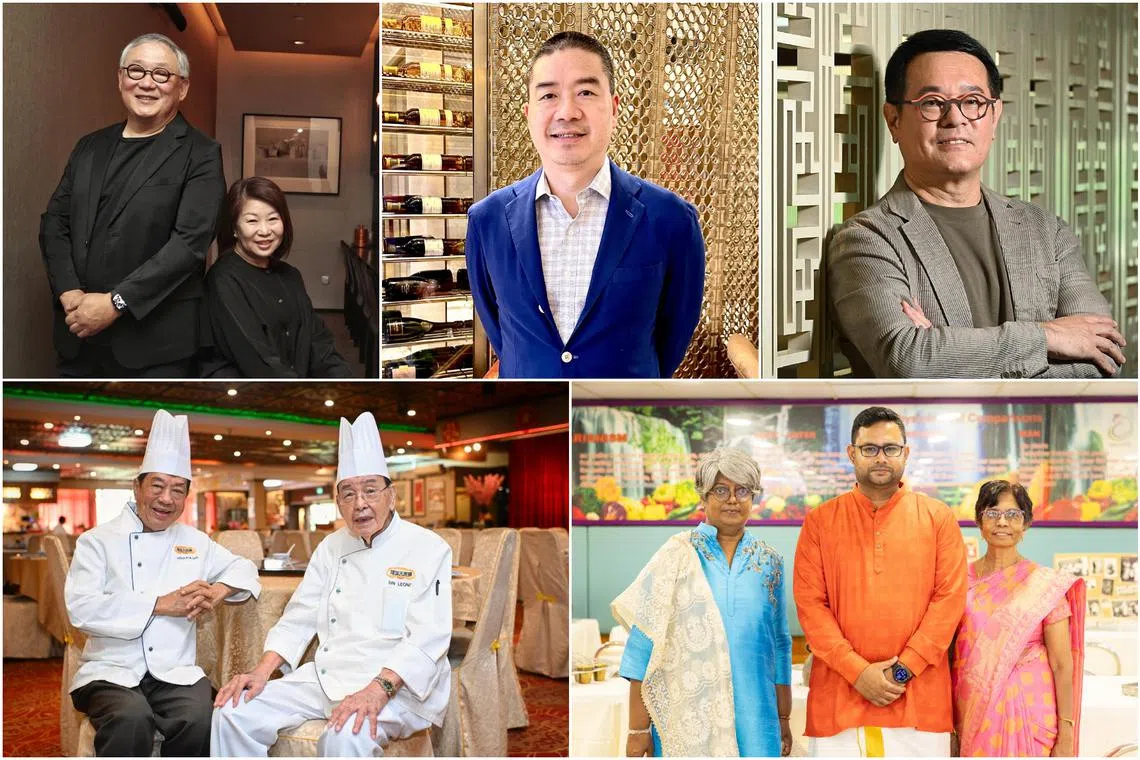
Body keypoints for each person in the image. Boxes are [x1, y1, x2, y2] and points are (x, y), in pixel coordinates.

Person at [828, 29, 1125, 379]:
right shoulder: (867, 239)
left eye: (972, 102)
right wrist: (1046, 337)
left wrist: (952, 354)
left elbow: (1102, 355)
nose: (955, 119)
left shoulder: (1046, 231)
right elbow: (909, 360)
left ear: (994, 116)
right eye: (932, 103)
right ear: (894, 120)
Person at [465, 31, 705, 379]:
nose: (567, 112)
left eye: (586, 92)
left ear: (614, 108)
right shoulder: (487, 220)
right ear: (529, 114)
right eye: (549, 95)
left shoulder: (671, 219)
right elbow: (501, 333)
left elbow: (673, 335)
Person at [211, 412, 452, 756]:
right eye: (348, 494)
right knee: (233, 710)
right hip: (329, 675)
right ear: (338, 502)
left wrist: (377, 689)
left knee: (344, 735)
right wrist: (262, 671)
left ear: (391, 495)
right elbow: (300, 616)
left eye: (370, 490)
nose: (361, 504)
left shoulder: (428, 548)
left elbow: (430, 637)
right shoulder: (331, 547)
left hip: (398, 686)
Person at [65, 410, 260, 756]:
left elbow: (245, 568)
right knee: (131, 717)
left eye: (177, 489)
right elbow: (81, 608)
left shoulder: (194, 540)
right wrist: (158, 604)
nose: (166, 499)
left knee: (201, 717)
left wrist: (218, 591)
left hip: (175, 671)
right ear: (136, 486)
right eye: (157, 485)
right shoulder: (97, 541)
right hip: (109, 670)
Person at [40, 33, 226, 378]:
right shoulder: (89, 147)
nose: (146, 83)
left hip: (155, 346)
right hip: (77, 333)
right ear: (121, 79)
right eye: (136, 71)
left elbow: (190, 243)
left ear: (182, 88)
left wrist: (116, 302)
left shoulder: (201, 154)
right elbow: (55, 222)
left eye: (161, 74)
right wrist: (68, 289)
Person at [793, 406, 967, 756]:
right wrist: (858, 673)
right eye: (869, 448)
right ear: (851, 453)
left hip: (918, 702)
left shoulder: (938, 518)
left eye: (890, 448)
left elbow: (949, 601)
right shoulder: (821, 521)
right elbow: (811, 606)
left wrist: (902, 672)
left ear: (906, 452)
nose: (880, 458)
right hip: (839, 700)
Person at [611, 448, 792, 757]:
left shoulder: (770, 562)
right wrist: (637, 729)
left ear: (754, 497)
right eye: (721, 490)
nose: (732, 499)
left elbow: (779, 644)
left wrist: (783, 718)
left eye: (743, 490)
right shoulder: (675, 556)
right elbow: (643, 646)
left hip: (758, 721)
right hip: (689, 718)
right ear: (703, 497)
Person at [951, 480, 1084, 757]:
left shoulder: (1044, 586)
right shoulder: (957, 582)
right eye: (993, 513)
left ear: (1026, 524)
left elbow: (1062, 664)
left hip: (1032, 712)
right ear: (978, 520)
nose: (1003, 522)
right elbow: (948, 656)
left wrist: (1067, 732)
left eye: (1013, 515)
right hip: (973, 711)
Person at [201, 177, 353, 378]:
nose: (265, 231)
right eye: (252, 220)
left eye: (273, 219)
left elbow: (319, 342)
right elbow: (257, 360)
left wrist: (342, 380)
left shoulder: (291, 276)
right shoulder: (222, 280)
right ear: (235, 228)